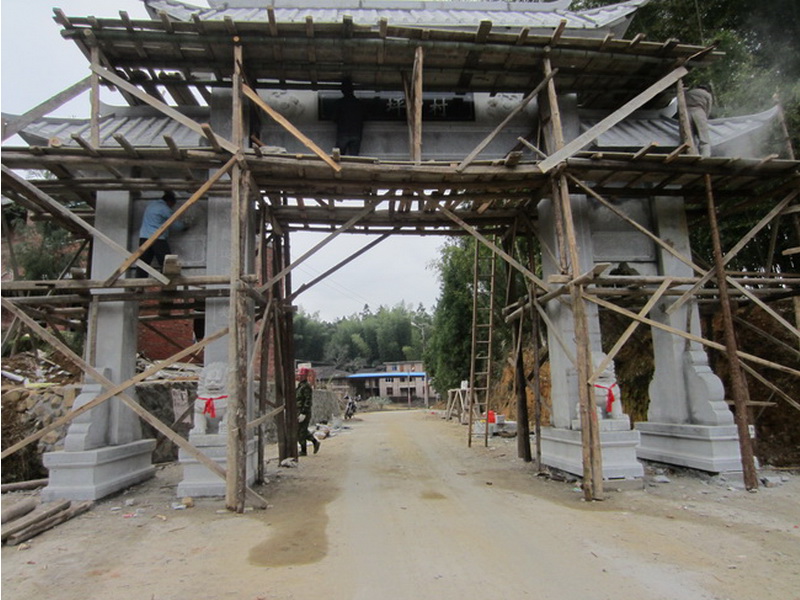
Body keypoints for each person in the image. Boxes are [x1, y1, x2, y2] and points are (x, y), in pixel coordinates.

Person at [135, 191, 188, 278]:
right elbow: (175, 224)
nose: (171, 207)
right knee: (167, 263)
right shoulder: (164, 209)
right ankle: (165, 280)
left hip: (144, 238)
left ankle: (139, 282)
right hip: (157, 239)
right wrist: (184, 227)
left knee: (143, 263)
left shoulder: (151, 205)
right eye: (172, 205)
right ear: (170, 202)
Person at [332, 79, 365, 156]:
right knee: (354, 157)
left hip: (343, 133)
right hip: (356, 133)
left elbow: (334, 118)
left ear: (342, 91)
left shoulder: (339, 103)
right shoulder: (359, 103)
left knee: (339, 157)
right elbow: (365, 117)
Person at [296, 367, 320, 455]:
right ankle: (314, 442)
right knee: (301, 430)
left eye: (302, 375)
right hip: (298, 411)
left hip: (304, 411)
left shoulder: (306, 387)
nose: (300, 377)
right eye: (300, 375)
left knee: (301, 431)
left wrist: (304, 412)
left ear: (305, 376)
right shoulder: (300, 386)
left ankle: (303, 450)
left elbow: (308, 401)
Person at [685, 85, 713, 158]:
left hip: (686, 113)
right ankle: (705, 156)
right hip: (699, 112)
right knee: (704, 138)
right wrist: (705, 117)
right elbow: (708, 108)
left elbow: (680, 106)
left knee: (689, 137)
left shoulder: (688, 93)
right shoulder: (707, 94)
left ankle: (693, 155)